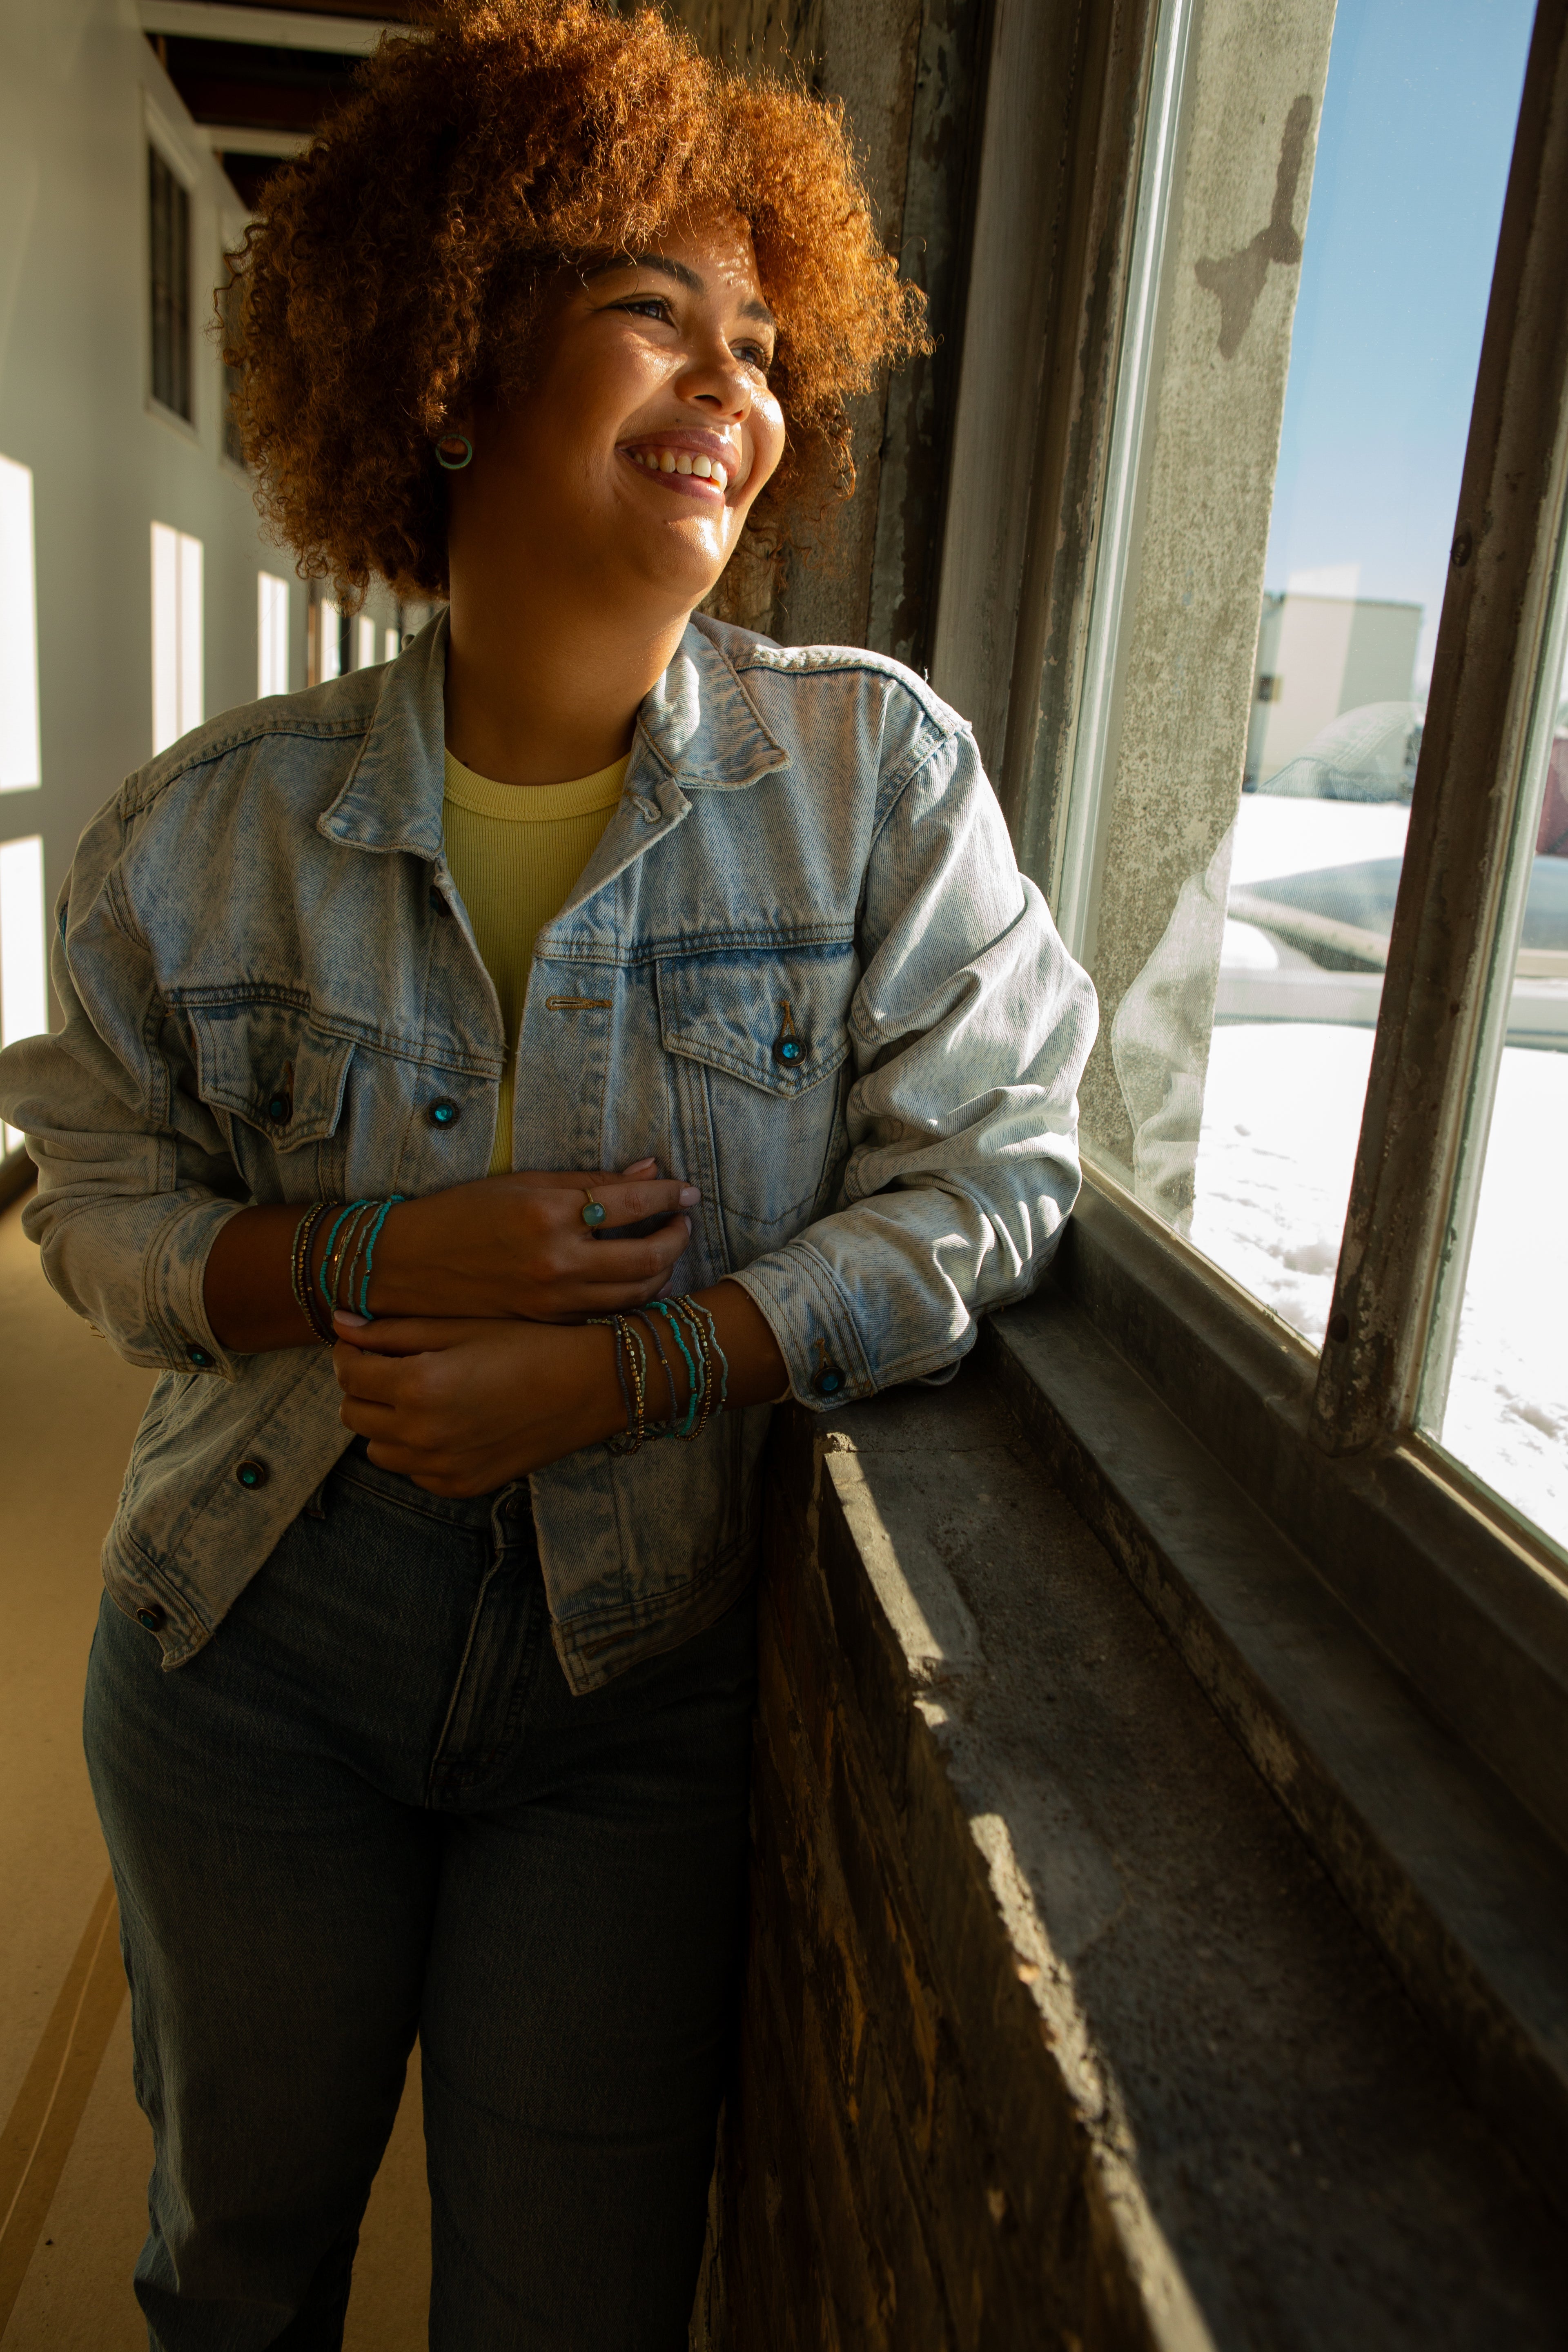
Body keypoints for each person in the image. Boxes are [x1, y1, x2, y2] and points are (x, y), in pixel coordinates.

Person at [0, 3, 1097, 2343]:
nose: (737, 385)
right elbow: (83, 1189)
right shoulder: (206, 836)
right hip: (251, 1647)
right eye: (652, 311)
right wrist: (352, 1257)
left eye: (766, 342)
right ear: (461, 345)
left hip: (635, 1697)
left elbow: (1002, 1166)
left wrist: (635, 1376)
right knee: (238, 2269)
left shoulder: (874, 780)